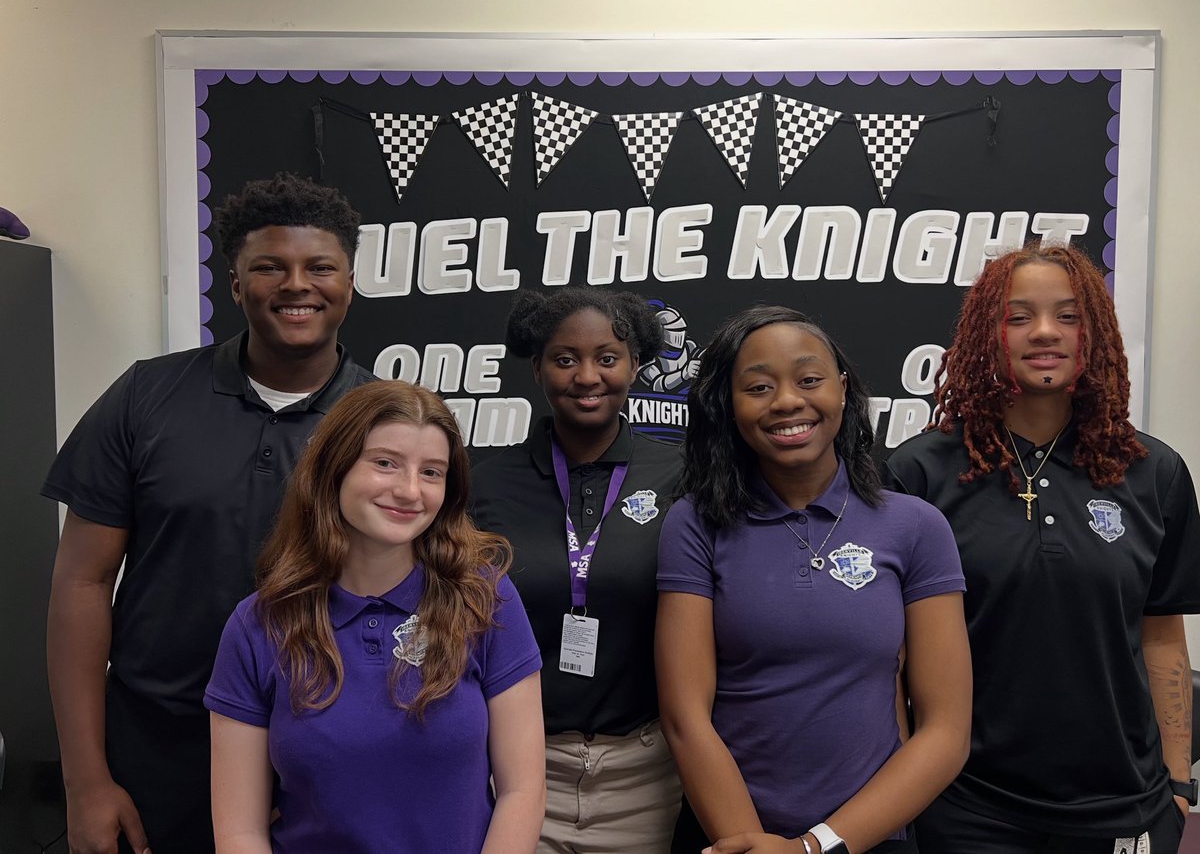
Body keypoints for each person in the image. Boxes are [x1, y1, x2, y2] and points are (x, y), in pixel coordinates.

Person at [43, 173, 374, 854]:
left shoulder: (387, 419)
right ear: (234, 283)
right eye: (269, 267)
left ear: (350, 281)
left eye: (320, 267)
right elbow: (80, 585)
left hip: (320, 755)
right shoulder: (146, 396)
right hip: (157, 753)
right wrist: (86, 783)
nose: (296, 285)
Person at [885, 242, 1200, 853]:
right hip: (966, 806)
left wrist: (1180, 783)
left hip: (1123, 805)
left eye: (1069, 315)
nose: (1045, 333)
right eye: (1018, 316)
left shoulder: (1154, 472)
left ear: (1095, 334)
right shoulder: (918, 473)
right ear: (986, 333)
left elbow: (1161, 635)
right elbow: (891, 661)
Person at [657, 305, 972, 854]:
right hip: (728, 836)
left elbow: (946, 733)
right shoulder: (695, 523)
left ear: (843, 390)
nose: (786, 401)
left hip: (867, 837)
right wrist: (750, 845)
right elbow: (686, 716)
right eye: (757, 387)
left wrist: (813, 847)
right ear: (728, 406)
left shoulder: (916, 526)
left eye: (809, 380)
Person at [204, 380, 545, 852]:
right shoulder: (258, 626)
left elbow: (522, 790)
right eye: (385, 463)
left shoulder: (484, 598)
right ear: (334, 468)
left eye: (431, 472)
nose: (409, 490)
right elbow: (241, 831)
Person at [470, 287, 685, 853]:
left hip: (644, 776)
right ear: (537, 370)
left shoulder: (681, 478)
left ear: (636, 365)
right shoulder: (485, 487)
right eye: (565, 359)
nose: (587, 376)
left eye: (607, 358)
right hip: (512, 771)